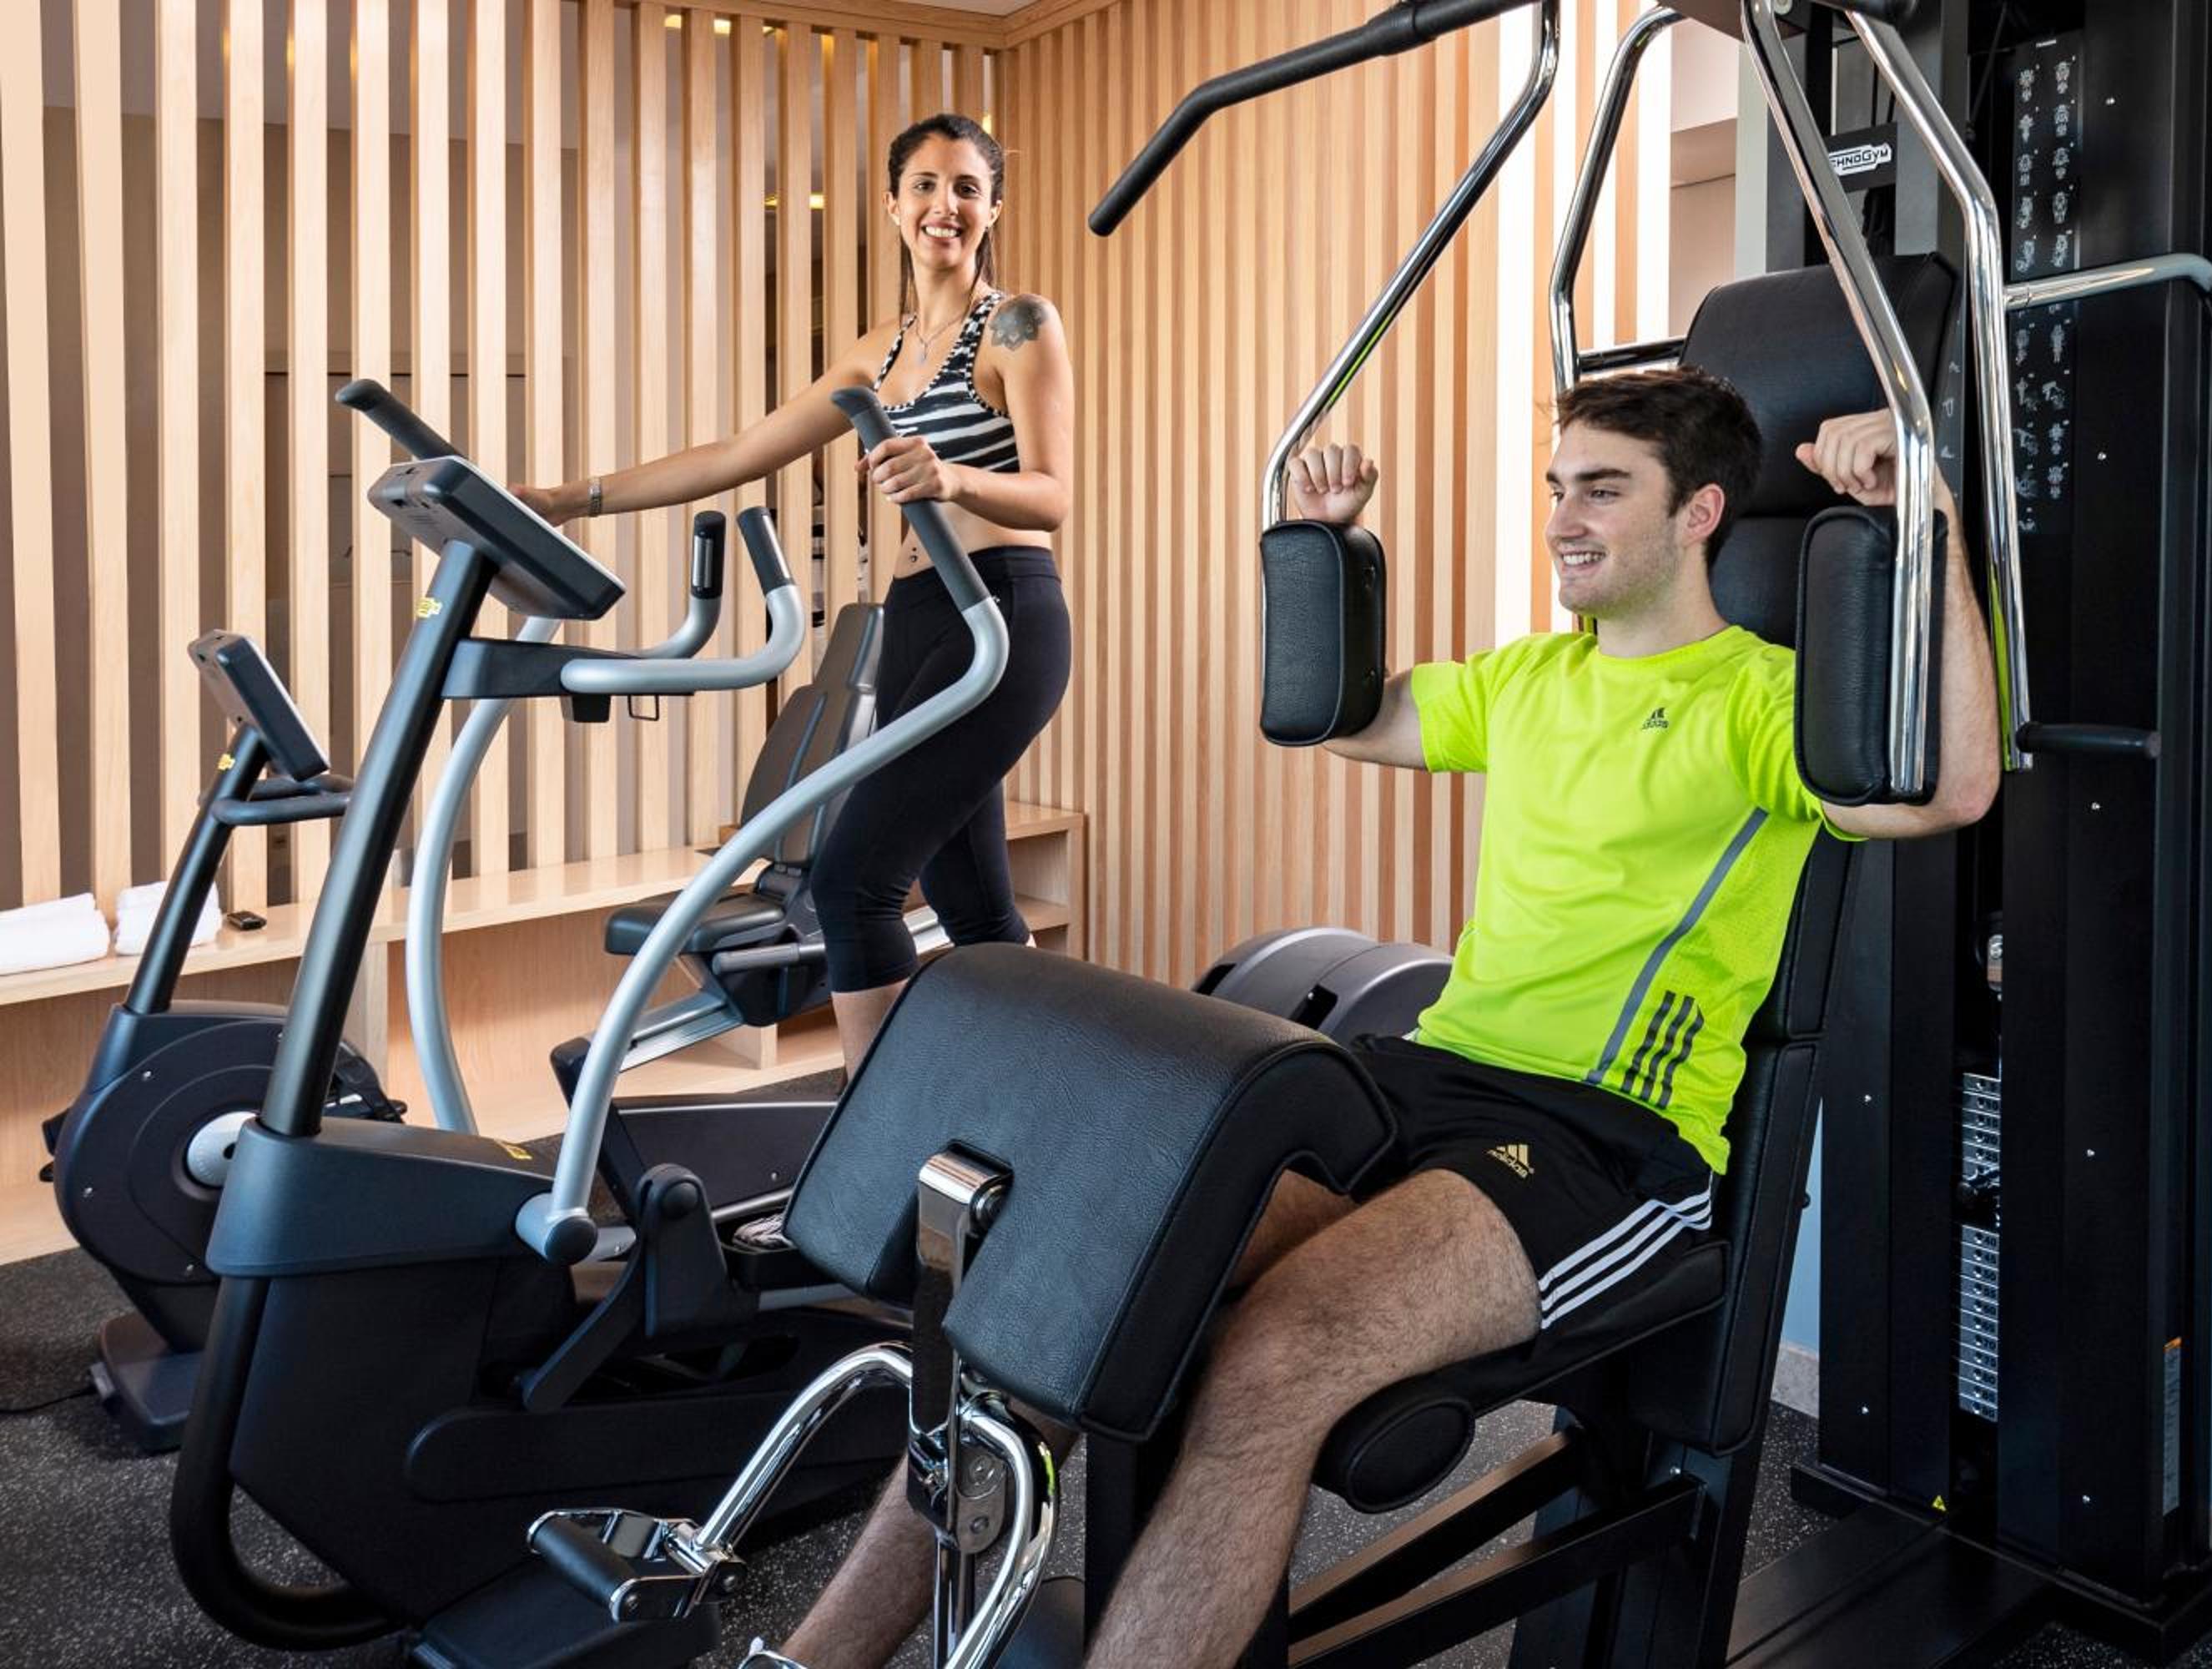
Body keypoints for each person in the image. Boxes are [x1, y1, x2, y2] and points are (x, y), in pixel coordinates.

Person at [748, 370, 2000, 1669]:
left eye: (1603, 491)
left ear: (1700, 514)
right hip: (1413, 1079)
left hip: (1600, 1140)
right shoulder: (1528, 679)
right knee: (1060, 1279)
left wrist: (1933, 522)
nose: (1563, 520)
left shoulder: (1764, 700)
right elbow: (1343, 719)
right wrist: (1326, 550)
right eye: (1557, 487)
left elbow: (1954, 788)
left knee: (1278, 1356)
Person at [517, 113, 1075, 1074]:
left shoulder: (1019, 324)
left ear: (993, 208)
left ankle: (875, 1128)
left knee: (854, 884)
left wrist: (949, 475)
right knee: (975, 905)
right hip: (918, 623)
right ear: (893, 204)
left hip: (1001, 613)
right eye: (927, 185)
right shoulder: (877, 354)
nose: (945, 205)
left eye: (967, 188)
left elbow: (1053, 494)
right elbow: (738, 453)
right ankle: (1048, 1098)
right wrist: (573, 498)